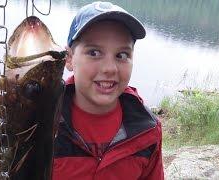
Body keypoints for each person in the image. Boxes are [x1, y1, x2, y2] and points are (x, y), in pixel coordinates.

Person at [53, 1, 164, 180]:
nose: (110, 68)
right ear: (69, 58)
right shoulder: (42, 123)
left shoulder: (147, 131)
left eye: (121, 55)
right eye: (94, 53)